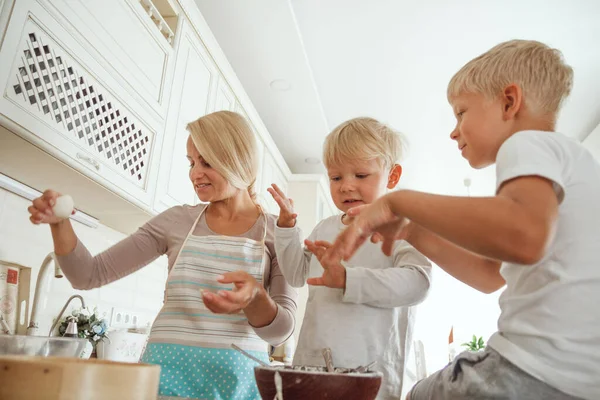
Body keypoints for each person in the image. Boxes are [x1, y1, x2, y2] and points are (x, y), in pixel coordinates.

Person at [325, 40, 600, 400]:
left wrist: (401, 201)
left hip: (528, 368)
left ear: (508, 102)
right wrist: (410, 229)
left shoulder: (530, 144)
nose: (454, 131)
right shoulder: (570, 164)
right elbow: (489, 276)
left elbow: (526, 236)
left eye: (461, 112)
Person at [28, 111, 298, 400]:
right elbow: (88, 274)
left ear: (237, 161)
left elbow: (280, 333)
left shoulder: (277, 231)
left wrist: (256, 299)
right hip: (165, 381)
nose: (195, 173)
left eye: (207, 162)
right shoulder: (175, 221)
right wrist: (59, 223)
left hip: (237, 387)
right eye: (192, 162)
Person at [268, 117, 432, 399]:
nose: (345, 186)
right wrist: (285, 228)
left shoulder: (403, 227)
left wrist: (348, 279)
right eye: (336, 177)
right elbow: (296, 274)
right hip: (312, 367)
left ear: (391, 176)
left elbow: (419, 283)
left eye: (360, 175)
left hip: (370, 374)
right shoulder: (326, 227)